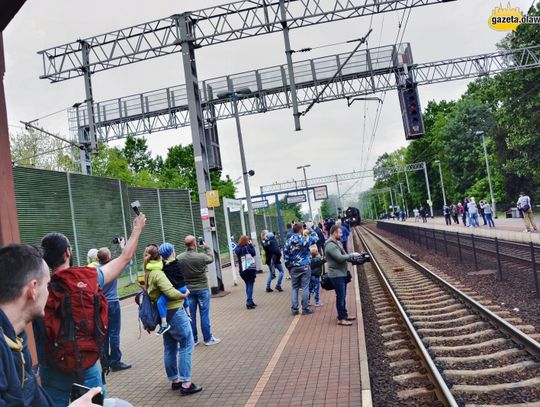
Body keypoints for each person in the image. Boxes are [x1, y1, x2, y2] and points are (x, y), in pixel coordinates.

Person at [0, 244, 132, 407]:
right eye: (47, 285)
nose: (49, 293)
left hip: (51, 375)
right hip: (87, 371)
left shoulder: (17, 338)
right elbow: (124, 258)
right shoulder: (8, 348)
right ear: (33, 289)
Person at [36, 213, 146, 406]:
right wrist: (137, 229)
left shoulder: (37, 291)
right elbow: (125, 257)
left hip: (52, 372)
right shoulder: (89, 277)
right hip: (89, 368)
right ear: (68, 253)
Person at [144, 244, 202, 396]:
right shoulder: (158, 272)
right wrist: (183, 295)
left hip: (165, 313)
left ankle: (175, 380)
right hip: (175, 311)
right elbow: (169, 291)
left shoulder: (149, 270)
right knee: (186, 343)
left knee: (170, 347)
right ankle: (186, 383)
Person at [177, 236, 221, 346]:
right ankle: (208, 338)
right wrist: (206, 248)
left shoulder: (180, 258)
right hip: (202, 289)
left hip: (188, 291)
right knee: (204, 314)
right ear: (194, 244)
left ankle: (194, 339)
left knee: (191, 315)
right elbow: (211, 258)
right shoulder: (201, 257)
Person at [97, 243, 132, 372]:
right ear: (109, 256)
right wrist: (123, 246)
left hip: (101, 304)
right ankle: (115, 361)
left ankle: (104, 362)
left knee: (104, 333)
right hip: (113, 303)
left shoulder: (96, 270)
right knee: (114, 333)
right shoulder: (114, 268)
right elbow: (129, 260)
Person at [324, 225, 361, 326]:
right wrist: (352, 255)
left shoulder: (338, 243)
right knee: (340, 296)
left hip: (341, 273)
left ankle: (344, 315)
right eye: (340, 233)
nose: (341, 234)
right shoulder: (330, 245)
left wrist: (355, 258)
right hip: (336, 275)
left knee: (343, 296)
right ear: (334, 233)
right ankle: (341, 318)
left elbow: (345, 255)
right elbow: (340, 258)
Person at [156, 243, 191, 335]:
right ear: (172, 253)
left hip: (175, 289)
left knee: (160, 302)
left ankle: (164, 323)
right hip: (183, 287)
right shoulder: (177, 263)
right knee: (185, 298)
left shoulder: (163, 267)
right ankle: (188, 314)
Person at [283, 223, 318, 316]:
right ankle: (305, 308)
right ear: (301, 229)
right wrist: (310, 228)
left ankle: (294, 309)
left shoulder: (288, 241)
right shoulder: (304, 239)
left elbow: (285, 257)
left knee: (294, 288)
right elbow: (316, 237)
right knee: (305, 287)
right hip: (305, 266)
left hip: (294, 267)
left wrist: (289, 268)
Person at [235, 236, 258, 309]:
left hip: (242, 270)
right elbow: (254, 253)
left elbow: (238, 253)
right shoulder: (248, 247)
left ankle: (250, 300)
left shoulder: (237, 248)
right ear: (246, 241)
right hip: (249, 269)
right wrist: (250, 245)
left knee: (248, 285)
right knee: (250, 284)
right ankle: (249, 302)